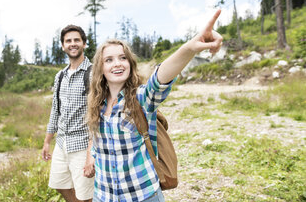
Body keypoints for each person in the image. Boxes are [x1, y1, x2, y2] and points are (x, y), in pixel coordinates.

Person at [84, 10, 223, 202]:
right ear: (101, 68)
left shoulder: (141, 97)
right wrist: (91, 156)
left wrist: (191, 47)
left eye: (123, 58)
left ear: (130, 64)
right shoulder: (95, 104)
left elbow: (160, 78)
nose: (117, 63)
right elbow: (95, 138)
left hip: (142, 194)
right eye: (109, 60)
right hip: (104, 196)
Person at [42, 25, 95, 202]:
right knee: (59, 184)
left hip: (82, 144)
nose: (73, 44)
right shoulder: (60, 76)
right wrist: (47, 141)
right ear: (63, 46)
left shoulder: (93, 73)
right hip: (62, 142)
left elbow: (98, 115)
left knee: (86, 194)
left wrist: (91, 153)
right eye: (68, 41)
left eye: (76, 40)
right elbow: (55, 110)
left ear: (84, 44)